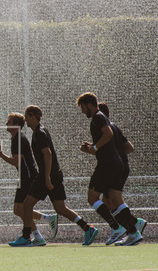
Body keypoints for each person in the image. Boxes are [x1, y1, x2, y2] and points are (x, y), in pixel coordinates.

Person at [9, 105, 98, 247]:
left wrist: (46, 177)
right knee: (60, 208)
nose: (25, 119)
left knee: (27, 205)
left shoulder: (39, 133)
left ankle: (26, 237)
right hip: (54, 174)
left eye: (26, 116)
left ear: (33, 117)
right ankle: (87, 228)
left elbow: (48, 154)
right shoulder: (40, 131)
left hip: (47, 175)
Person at [77, 93, 143, 246]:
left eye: (83, 107)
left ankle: (116, 227)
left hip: (106, 164)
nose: (82, 111)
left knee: (92, 198)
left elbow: (108, 133)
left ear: (89, 105)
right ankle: (133, 231)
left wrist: (94, 148)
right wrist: (92, 148)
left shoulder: (98, 117)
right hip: (116, 163)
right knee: (114, 199)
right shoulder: (102, 117)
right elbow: (106, 143)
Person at [0, 112, 58, 244]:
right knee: (20, 209)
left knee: (20, 209)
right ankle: (42, 230)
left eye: (9, 122)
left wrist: (1, 155)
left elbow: (16, 162)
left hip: (28, 177)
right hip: (25, 177)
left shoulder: (18, 139)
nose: (6, 123)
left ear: (17, 125)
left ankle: (34, 235)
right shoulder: (16, 138)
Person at [98, 103, 147, 237]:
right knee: (108, 201)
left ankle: (131, 227)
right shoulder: (114, 127)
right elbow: (130, 147)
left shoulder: (106, 129)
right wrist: (120, 157)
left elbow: (128, 148)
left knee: (112, 200)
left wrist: (114, 159)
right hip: (122, 167)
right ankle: (129, 227)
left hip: (115, 168)